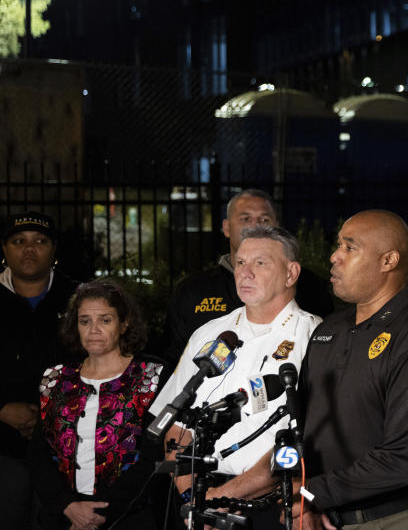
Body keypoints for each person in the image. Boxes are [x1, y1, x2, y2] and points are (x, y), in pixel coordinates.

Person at [293, 209, 408, 529]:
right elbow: (303, 425)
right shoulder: (330, 329)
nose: (334, 256)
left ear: (389, 261)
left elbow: (404, 459)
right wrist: (307, 503)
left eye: (349, 247)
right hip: (328, 514)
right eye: (338, 245)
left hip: (402, 518)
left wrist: (309, 494)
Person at [150, 225, 319, 528]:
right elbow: (177, 427)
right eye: (241, 262)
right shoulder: (209, 333)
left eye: (260, 263)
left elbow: (303, 440)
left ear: (291, 273)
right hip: (198, 497)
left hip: (272, 501)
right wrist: (193, 500)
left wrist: (218, 499)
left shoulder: (314, 336)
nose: (245, 272)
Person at [28, 280, 165, 530]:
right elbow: (38, 452)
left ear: (124, 324)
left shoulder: (152, 377)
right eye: (84, 321)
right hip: (63, 515)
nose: (93, 330)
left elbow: (153, 457)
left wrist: (96, 513)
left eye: (105, 320)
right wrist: (68, 506)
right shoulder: (55, 378)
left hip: (128, 517)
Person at [162, 189, 333, 364]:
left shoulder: (311, 287)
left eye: (264, 220)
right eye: (245, 219)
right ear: (226, 227)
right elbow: (171, 359)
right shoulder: (193, 291)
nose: (256, 226)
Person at [0, 211, 79, 529]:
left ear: (54, 248)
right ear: (4, 249)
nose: (29, 250)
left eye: (40, 241)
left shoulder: (79, 299)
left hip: (65, 448)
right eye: (19, 241)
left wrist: (50, 418)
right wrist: (2, 409)